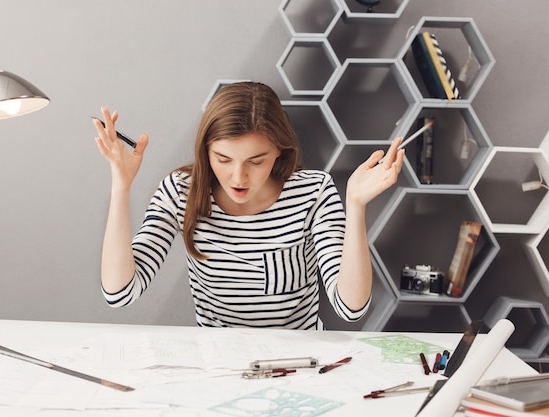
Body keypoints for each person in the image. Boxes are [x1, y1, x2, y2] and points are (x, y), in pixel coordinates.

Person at [93, 81, 404, 329]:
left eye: (256, 161)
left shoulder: (314, 192)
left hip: (298, 366)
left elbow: (351, 308)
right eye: (223, 159)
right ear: (206, 151)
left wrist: (356, 205)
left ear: (279, 152)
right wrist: (121, 186)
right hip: (217, 365)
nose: (238, 177)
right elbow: (119, 293)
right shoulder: (180, 191)